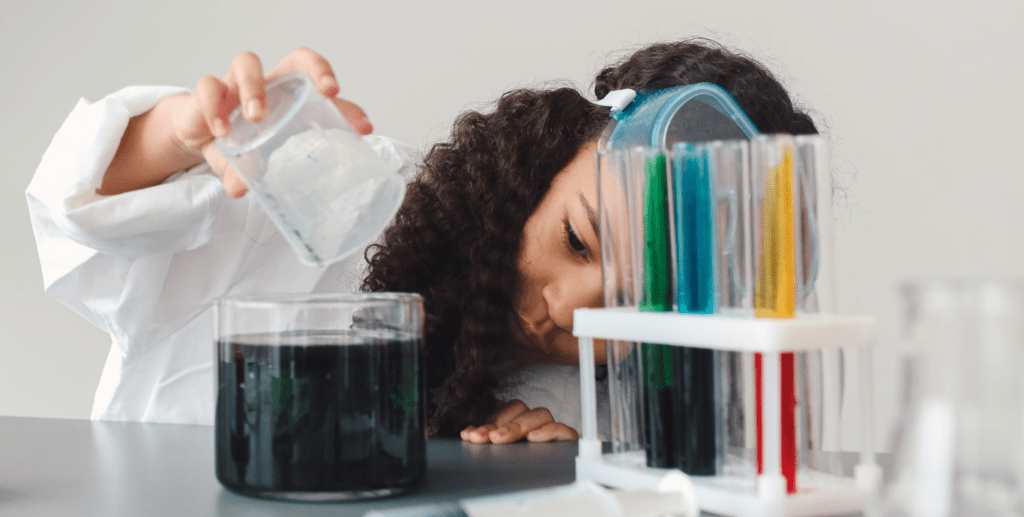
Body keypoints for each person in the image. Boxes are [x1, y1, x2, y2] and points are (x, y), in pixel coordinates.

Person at [27, 39, 818, 443]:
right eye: (578, 240)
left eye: (638, 303)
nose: (573, 308)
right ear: (546, 160)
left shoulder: (617, 420)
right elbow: (87, 222)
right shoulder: (343, 197)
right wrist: (180, 134)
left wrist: (558, 490)